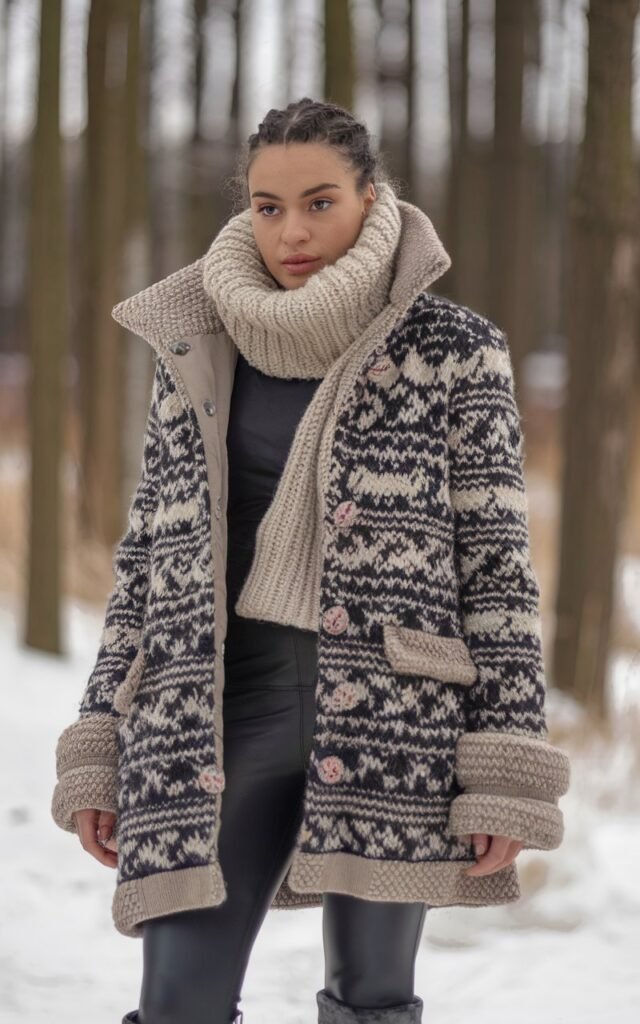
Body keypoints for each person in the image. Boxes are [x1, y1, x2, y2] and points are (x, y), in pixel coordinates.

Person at [51, 97, 571, 1024]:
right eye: (267, 206)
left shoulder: (454, 352)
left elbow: (495, 570)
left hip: (394, 727)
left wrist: (503, 764)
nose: (291, 231)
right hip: (212, 721)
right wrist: (100, 739)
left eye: (320, 202)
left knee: (372, 1001)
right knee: (178, 1002)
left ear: (373, 198)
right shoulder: (197, 345)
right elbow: (147, 559)